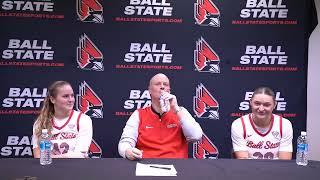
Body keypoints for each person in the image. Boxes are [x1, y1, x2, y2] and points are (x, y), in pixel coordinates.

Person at [118, 73, 203, 160]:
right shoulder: (139, 114)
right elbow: (126, 141)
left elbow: (196, 136)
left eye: (165, 84)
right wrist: (127, 151)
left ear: (169, 90)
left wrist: (176, 109)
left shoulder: (181, 111)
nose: (162, 87)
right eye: (158, 84)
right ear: (149, 90)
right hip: (146, 165)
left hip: (177, 166)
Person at [32, 81, 93, 158]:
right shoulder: (41, 122)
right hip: (49, 169)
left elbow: (79, 155)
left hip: (75, 168)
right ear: (52, 99)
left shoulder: (83, 120)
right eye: (65, 96)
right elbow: (38, 156)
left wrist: (49, 157)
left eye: (72, 95)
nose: (71, 100)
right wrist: (67, 156)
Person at [231, 87, 293, 160]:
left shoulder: (285, 125)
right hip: (249, 170)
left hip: (276, 170)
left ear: (274, 105)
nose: (261, 109)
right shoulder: (239, 125)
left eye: (266, 105)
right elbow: (244, 161)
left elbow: (284, 161)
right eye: (257, 103)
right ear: (250, 102)